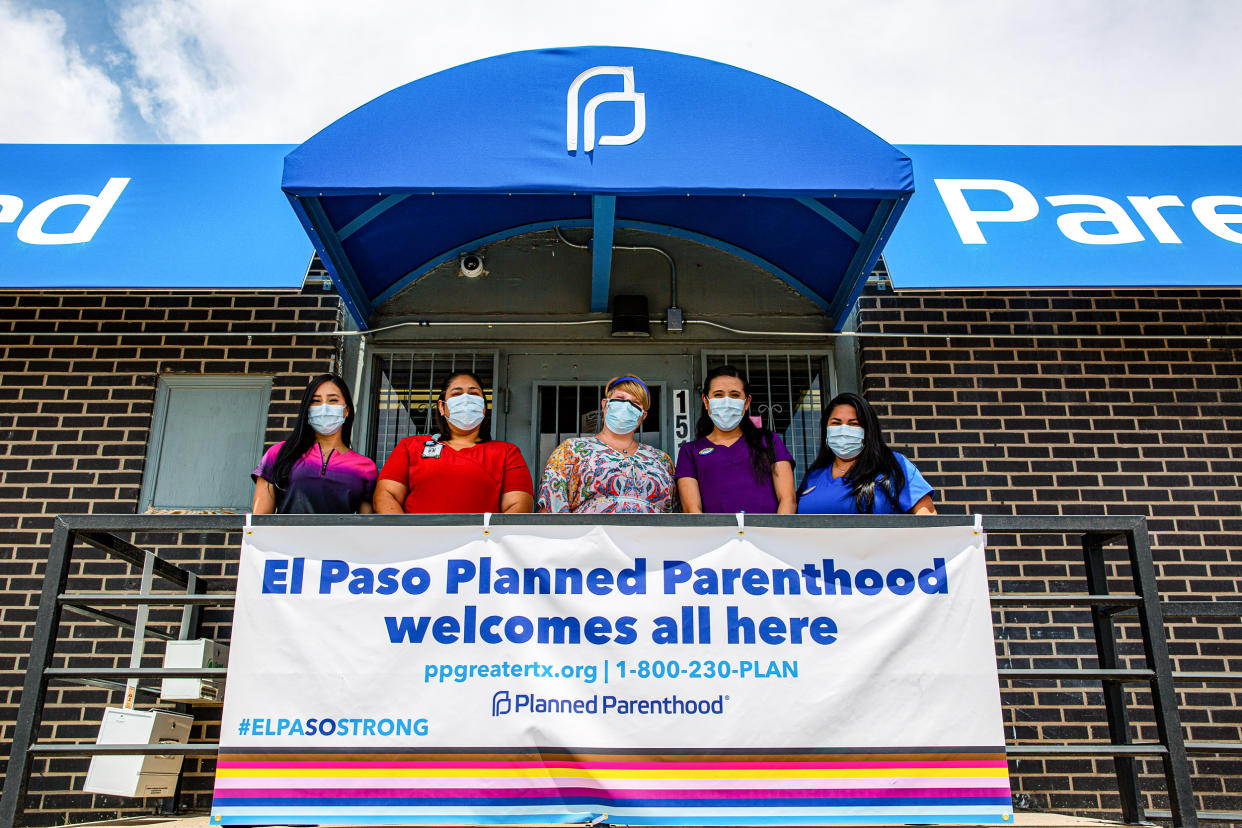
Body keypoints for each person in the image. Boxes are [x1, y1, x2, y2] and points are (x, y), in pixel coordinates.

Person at [373, 370, 533, 513]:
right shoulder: (410, 446)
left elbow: (518, 506)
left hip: (480, 545)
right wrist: (409, 539)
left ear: (483, 407)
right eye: (456, 394)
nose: (466, 400)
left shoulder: (507, 452)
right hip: (418, 544)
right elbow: (386, 496)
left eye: (474, 394)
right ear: (441, 407)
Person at [537, 375, 676, 513]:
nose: (626, 406)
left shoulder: (661, 460)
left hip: (651, 535)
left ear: (643, 416)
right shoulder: (571, 450)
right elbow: (550, 509)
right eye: (620, 398)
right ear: (605, 405)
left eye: (635, 403)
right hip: (591, 535)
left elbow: (676, 514)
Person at [675, 365, 796, 514]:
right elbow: (692, 509)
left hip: (767, 535)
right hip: (713, 536)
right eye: (718, 395)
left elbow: (788, 499)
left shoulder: (769, 441)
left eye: (734, 395)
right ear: (706, 402)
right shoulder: (690, 451)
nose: (726, 402)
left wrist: (775, 534)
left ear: (746, 402)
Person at [252, 374, 377, 514]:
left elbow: (366, 528)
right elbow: (259, 521)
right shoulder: (279, 453)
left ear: (347, 410)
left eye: (333, 400)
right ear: (307, 409)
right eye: (316, 401)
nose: (324, 408)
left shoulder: (365, 467)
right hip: (287, 536)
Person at [797, 392, 935, 515]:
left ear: (868, 431)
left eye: (853, 424)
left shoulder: (892, 464)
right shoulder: (814, 476)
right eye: (836, 423)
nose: (843, 430)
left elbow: (926, 518)